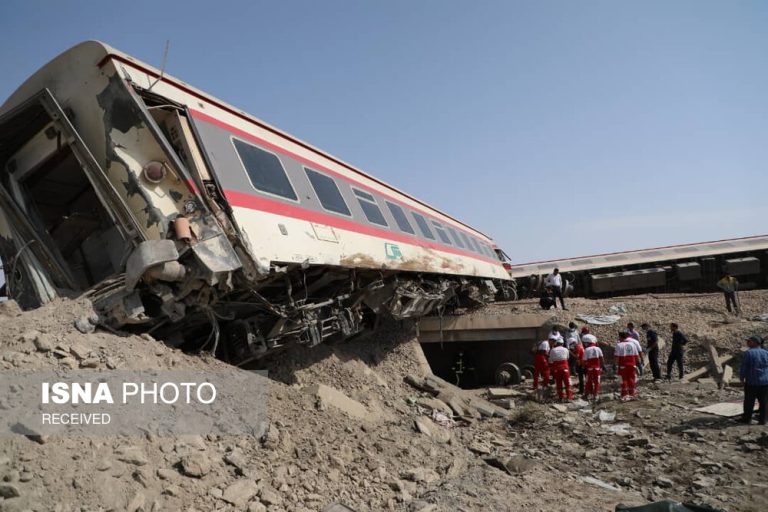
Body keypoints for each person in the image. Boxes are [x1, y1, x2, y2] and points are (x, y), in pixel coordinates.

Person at [739, 335, 768, 425]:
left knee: (749, 402)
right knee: (764, 402)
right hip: (765, 382)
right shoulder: (766, 352)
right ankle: (763, 420)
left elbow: (744, 367)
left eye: (749, 341)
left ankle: (746, 419)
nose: (747, 342)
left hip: (752, 382)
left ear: (755, 342)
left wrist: (742, 378)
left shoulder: (749, 353)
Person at [615, 331, 641, 400]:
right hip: (632, 364)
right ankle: (632, 393)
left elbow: (617, 357)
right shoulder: (633, 344)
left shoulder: (619, 345)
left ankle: (625, 394)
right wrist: (638, 364)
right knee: (631, 379)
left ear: (620, 337)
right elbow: (636, 356)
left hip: (623, 365)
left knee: (623, 379)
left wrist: (615, 365)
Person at [582, 334, 603, 400]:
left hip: (589, 369)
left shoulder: (586, 350)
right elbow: (602, 359)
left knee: (588, 382)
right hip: (597, 368)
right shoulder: (598, 349)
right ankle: (595, 395)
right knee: (597, 382)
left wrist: (584, 366)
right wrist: (601, 367)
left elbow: (584, 361)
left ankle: (586, 394)